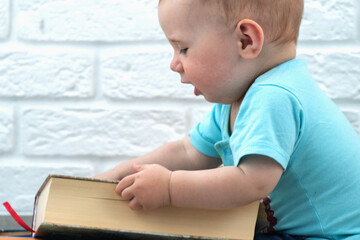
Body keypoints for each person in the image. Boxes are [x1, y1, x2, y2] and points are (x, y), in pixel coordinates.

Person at [95, 0, 360, 239]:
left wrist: (169, 188)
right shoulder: (238, 99)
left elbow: (251, 182)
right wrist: (117, 174)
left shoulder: (275, 97)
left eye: (183, 48)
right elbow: (188, 152)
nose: (174, 64)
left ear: (245, 41)